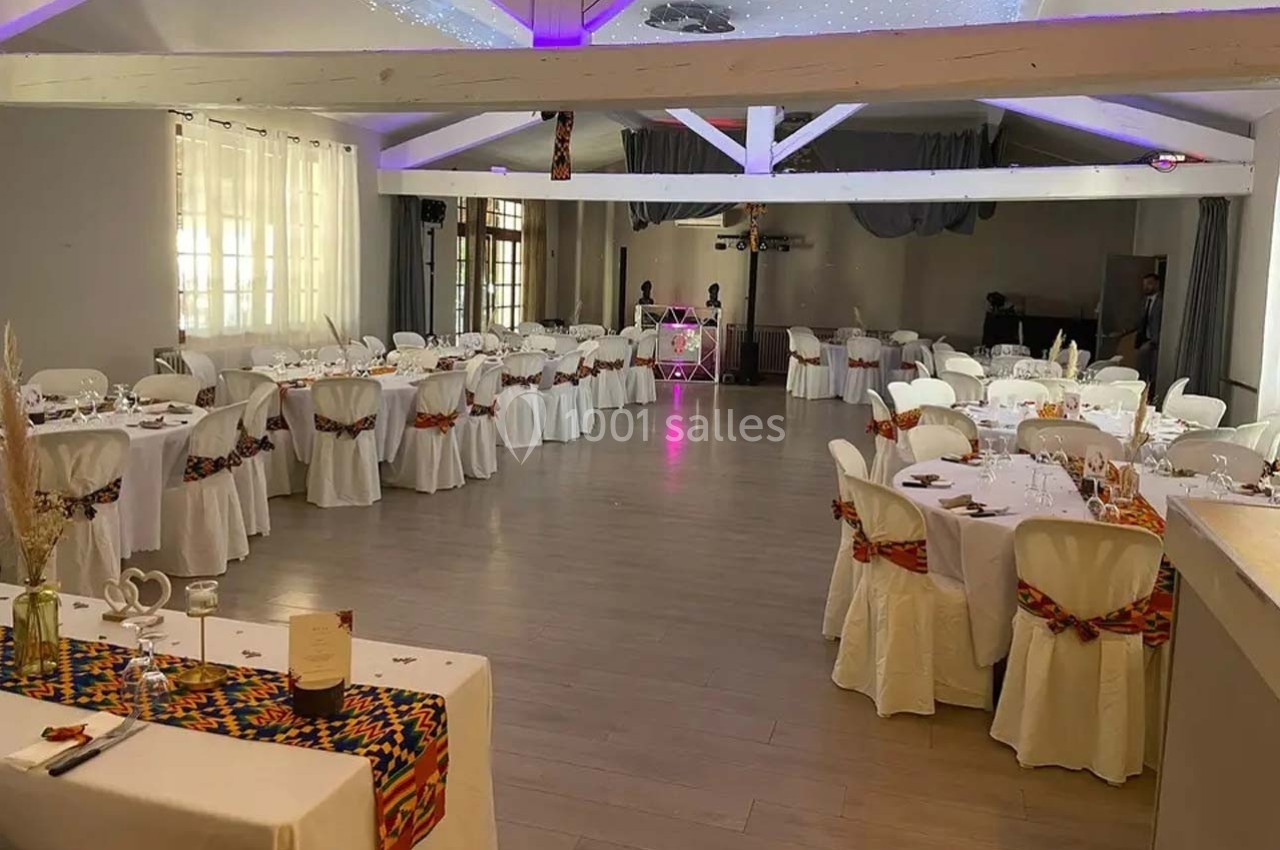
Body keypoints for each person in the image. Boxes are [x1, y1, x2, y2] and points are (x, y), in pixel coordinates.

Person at [1135, 272, 1163, 385]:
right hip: (1143, 339)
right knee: (1141, 369)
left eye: (1149, 284)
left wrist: (1155, 340)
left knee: (1153, 371)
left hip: (1155, 340)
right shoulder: (1144, 301)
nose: (1146, 287)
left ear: (1157, 284)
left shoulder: (1162, 301)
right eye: (1145, 284)